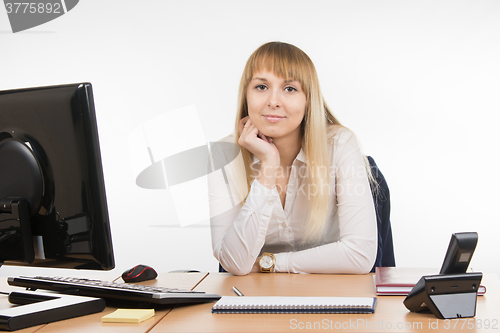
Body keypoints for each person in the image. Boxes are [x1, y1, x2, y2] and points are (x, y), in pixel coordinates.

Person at [208, 41, 377, 275]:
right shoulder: (223, 155)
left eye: (289, 89)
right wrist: (268, 165)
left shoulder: (339, 145)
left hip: (331, 294)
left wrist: (271, 264)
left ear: (308, 100)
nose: (273, 101)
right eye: (261, 87)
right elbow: (235, 263)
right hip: (254, 299)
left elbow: (359, 255)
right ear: (246, 95)